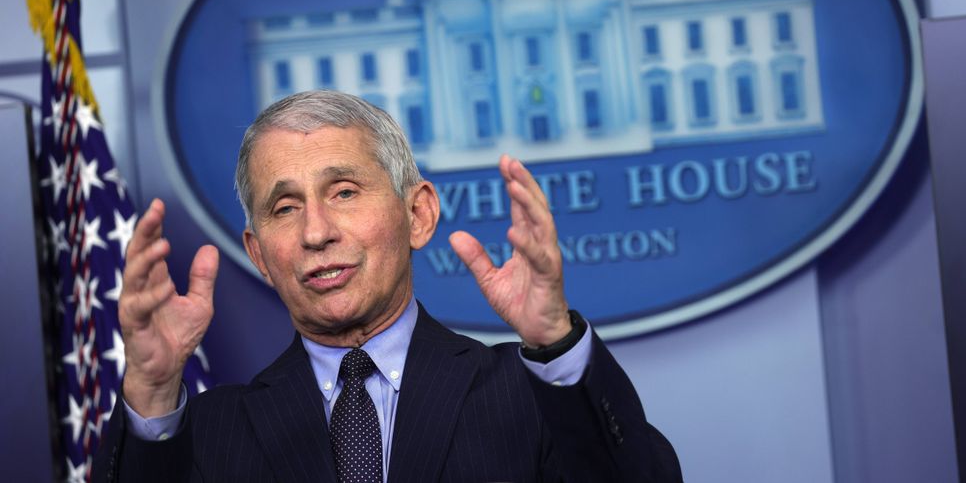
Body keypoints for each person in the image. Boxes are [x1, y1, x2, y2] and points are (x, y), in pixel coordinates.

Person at [94, 90, 682, 482]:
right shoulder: (206, 433)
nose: (316, 232)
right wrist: (150, 387)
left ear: (418, 215)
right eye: (285, 207)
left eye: (344, 191)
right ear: (260, 255)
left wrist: (555, 340)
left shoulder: (528, 396)